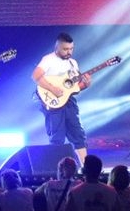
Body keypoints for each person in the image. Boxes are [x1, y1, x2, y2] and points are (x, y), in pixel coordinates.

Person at [31, 32, 90, 162]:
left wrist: (85, 84)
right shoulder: (48, 59)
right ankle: (57, 169)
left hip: (69, 102)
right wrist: (52, 88)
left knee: (78, 135)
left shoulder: (73, 63)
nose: (69, 52)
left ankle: (86, 168)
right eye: (65, 49)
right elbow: (35, 76)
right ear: (57, 47)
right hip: (53, 103)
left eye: (71, 49)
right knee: (57, 138)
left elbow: (74, 88)